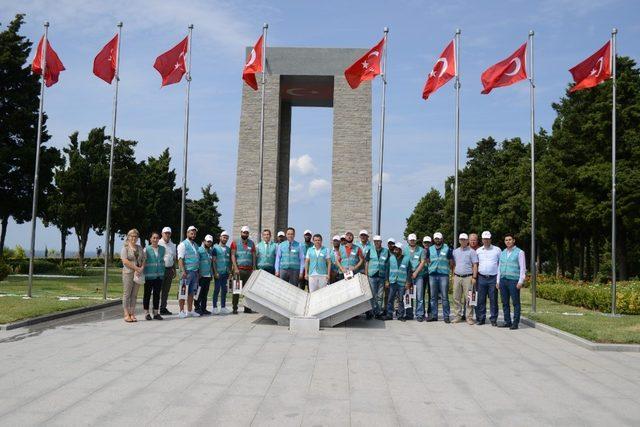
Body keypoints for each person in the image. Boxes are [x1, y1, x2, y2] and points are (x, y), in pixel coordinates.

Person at [497, 233, 526, 330]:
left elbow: (523, 268)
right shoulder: (503, 252)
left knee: (515, 302)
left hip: (514, 281)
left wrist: (521, 281)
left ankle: (515, 322)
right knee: (505, 302)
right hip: (503, 280)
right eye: (506, 240)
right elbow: (499, 268)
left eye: (510, 239)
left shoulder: (519, 252)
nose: (508, 241)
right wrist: (498, 281)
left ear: (514, 240)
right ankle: (507, 321)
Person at [426, 232, 454, 323]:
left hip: (443, 275)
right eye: (436, 238)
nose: (437, 240)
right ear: (433, 239)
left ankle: (446, 316)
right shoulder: (429, 249)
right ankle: (434, 315)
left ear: (442, 239)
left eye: (439, 238)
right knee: (433, 297)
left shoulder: (447, 249)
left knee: (444, 297)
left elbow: (451, 262)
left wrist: (450, 272)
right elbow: (427, 260)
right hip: (432, 275)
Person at [475, 231, 501, 326]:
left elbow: (500, 265)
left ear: (490, 239)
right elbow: (475, 264)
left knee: (493, 299)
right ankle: (481, 318)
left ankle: (493, 319)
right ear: (482, 240)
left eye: (488, 239)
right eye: (484, 239)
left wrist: (498, 279)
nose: (486, 240)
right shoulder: (478, 251)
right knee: (481, 299)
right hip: (481, 277)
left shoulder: (497, 250)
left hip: (493, 278)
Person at [452, 233, 478, 325]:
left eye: (464, 240)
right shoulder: (455, 251)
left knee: (469, 298)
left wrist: (474, 277)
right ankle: (457, 316)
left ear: (467, 241)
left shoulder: (472, 251)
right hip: (457, 276)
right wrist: (453, 275)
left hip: (468, 277)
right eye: (461, 239)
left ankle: (469, 317)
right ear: (459, 240)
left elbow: (475, 265)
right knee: (456, 297)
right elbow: (454, 264)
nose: (462, 241)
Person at [121, 229, 145, 323]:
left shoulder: (139, 248)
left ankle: (132, 313)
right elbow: (125, 261)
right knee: (127, 294)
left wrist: (141, 268)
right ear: (128, 237)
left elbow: (143, 259)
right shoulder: (125, 248)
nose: (134, 238)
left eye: (135, 236)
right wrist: (136, 268)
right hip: (128, 273)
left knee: (134, 295)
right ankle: (126, 314)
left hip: (138, 274)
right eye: (132, 236)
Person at [231, 225, 256, 314]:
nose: (245, 234)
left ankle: (247, 308)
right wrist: (235, 268)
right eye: (244, 232)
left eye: (247, 232)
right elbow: (233, 255)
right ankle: (234, 308)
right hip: (239, 270)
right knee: (236, 290)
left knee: (247, 291)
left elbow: (253, 255)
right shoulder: (235, 242)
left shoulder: (252, 243)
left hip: (249, 270)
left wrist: (253, 268)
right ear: (241, 233)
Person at [177, 225, 201, 318]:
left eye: (194, 233)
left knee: (191, 292)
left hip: (194, 272)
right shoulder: (183, 244)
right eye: (192, 233)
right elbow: (180, 259)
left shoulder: (196, 245)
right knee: (183, 292)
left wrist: (198, 271)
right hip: (186, 272)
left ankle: (190, 310)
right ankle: (181, 311)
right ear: (187, 233)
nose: (193, 234)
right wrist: (183, 271)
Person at [402, 234, 426, 321]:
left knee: (419, 295)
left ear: (416, 240)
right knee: (408, 295)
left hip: (418, 275)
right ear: (408, 240)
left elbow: (422, 262)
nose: (412, 241)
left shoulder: (421, 250)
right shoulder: (404, 250)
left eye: (413, 240)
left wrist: (416, 272)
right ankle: (409, 314)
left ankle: (419, 314)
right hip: (408, 275)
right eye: (411, 240)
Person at [385, 243, 410, 321]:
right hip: (392, 282)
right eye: (395, 249)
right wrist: (386, 281)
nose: (395, 250)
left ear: (401, 250)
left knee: (401, 300)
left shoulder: (406, 259)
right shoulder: (391, 258)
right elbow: (387, 270)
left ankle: (400, 316)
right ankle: (389, 314)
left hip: (402, 283)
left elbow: (409, 271)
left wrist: (407, 282)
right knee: (390, 299)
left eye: (397, 249)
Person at [143, 231, 165, 321]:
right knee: (147, 295)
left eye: (157, 238)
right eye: (154, 238)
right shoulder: (146, 249)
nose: (155, 239)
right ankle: (147, 313)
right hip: (149, 276)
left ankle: (156, 313)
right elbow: (143, 261)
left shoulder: (163, 249)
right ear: (150, 239)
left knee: (157, 295)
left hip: (159, 276)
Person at [366, 235, 390, 319]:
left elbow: (388, 265)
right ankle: (370, 312)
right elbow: (367, 263)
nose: (377, 243)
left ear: (381, 242)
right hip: (372, 275)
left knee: (380, 296)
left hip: (381, 276)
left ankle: (378, 312)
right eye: (375, 241)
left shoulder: (386, 252)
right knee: (372, 295)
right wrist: (366, 274)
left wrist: (387, 279)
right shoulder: (370, 250)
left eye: (378, 241)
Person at [158, 226, 177, 316]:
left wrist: (174, 269)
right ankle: (155, 308)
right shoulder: (158, 243)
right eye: (166, 233)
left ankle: (163, 308)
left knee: (166, 290)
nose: (167, 235)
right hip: (160, 269)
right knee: (158, 289)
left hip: (169, 269)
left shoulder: (172, 245)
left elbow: (173, 258)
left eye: (169, 233)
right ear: (162, 234)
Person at [194, 234, 214, 315]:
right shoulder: (199, 250)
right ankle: (197, 308)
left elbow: (211, 264)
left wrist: (211, 274)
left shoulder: (210, 251)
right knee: (198, 293)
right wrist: (199, 273)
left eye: (210, 242)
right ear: (204, 241)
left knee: (205, 294)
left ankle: (203, 308)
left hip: (208, 276)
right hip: (201, 276)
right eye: (208, 241)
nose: (209, 243)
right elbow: (197, 262)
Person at [212, 230, 231, 314]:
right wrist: (215, 272)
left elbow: (229, 261)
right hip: (218, 273)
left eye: (226, 238)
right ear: (220, 237)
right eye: (224, 237)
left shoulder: (228, 249)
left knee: (224, 290)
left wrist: (230, 272)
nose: (225, 239)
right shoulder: (215, 248)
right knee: (216, 290)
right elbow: (214, 261)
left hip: (225, 273)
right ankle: (215, 307)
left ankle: (223, 307)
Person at [421, 235, 433, 319]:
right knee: (421, 294)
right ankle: (421, 312)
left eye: (428, 242)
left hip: (431, 275)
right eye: (425, 242)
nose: (427, 244)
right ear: (422, 243)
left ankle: (430, 312)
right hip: (422, 275)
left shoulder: (433, 251)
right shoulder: (420, 251)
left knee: (431, 294)